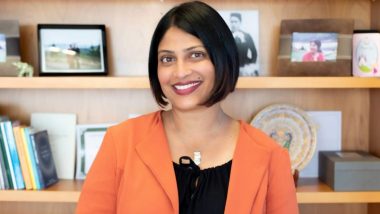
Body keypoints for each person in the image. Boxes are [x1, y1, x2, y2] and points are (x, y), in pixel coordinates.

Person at [76, 1, 298, 214]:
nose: (180, 72)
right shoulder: (120, 143)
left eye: (196, 55)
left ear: (222, 58)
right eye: (167, 59)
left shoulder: (271, 156)